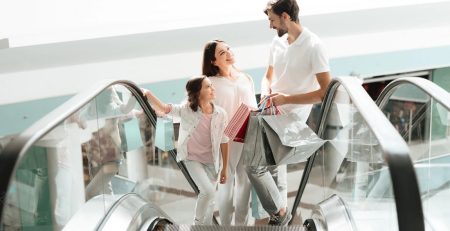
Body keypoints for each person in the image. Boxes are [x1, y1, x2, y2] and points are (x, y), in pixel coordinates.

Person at [246, 0, 332, 226]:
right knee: (274, 170)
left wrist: (286, 99)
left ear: (285, 16)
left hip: (292, 117)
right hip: (270, 110)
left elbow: (324, 92)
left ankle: (280, 214)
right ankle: (280, 216)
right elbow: (268, 75)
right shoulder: (277, 43)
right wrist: (266, 94)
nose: (270, 26)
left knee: (255, 165)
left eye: (272, 20)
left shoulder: (314, 46)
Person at [141, 76, 229, 225]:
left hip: (212, 162)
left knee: (210, 202)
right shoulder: (186, 110)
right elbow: (164, 108)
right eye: (208, 86)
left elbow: (224, 141)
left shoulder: (221, 114)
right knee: (208, 192)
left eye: (211, 85)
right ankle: (196, 224)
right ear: (197, 93)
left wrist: (225, 169)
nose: (212, 88)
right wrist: (148, 94)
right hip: (192, 159)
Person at [202, 39, 258, 225]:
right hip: (225, 139)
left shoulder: (246, 78)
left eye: (228, 49)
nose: (228, 53)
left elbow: (254, 108)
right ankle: (226, 226)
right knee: (226, 182)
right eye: (222, 53)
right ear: (213, 61)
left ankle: (241, 225)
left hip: (249, 135)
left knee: (246, 183)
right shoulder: (210, 83)